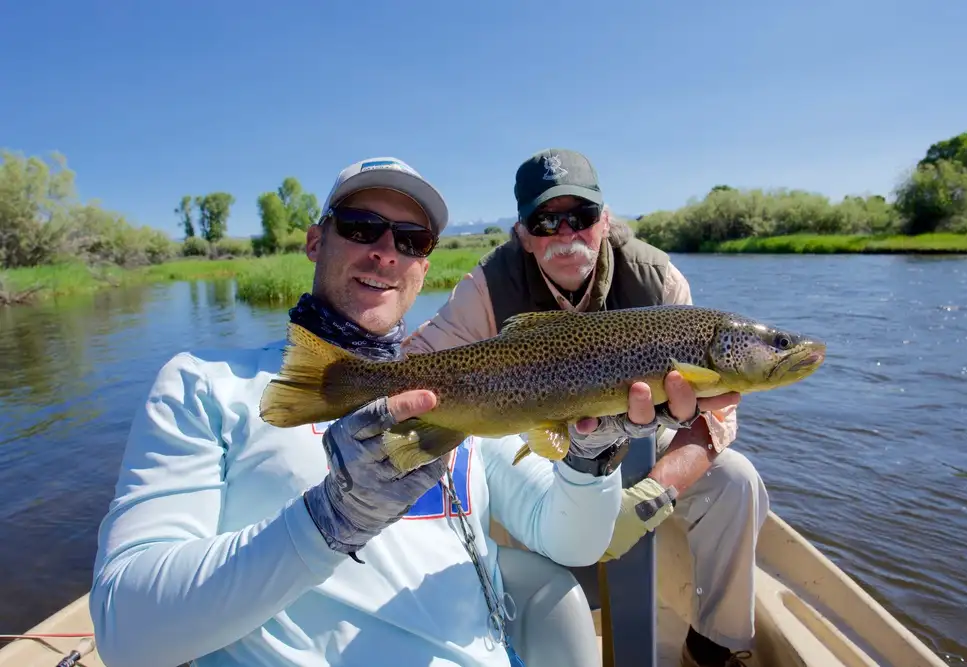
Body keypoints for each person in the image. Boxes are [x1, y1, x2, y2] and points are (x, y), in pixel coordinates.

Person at [88, 155, 715, 667]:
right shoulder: (206, 384)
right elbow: (126, 635)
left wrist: (589, 459)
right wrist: (332, 518)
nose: (387, 252)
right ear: (314, 241)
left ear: (424, 265)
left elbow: (571, 541)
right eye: (362, 227)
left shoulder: (466, 387)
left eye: (411, 240)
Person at [404, 148, 766, 667]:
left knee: (737, 481)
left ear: (606, 220)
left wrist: (649, 497)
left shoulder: (656, 280)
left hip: (647, 429)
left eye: (582, 216)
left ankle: (714, 643)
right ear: (523, 233)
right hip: (536, 429)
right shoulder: (491, 283)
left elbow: (715, 417)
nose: (566, 232)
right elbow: (421, 358)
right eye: (546, 220)